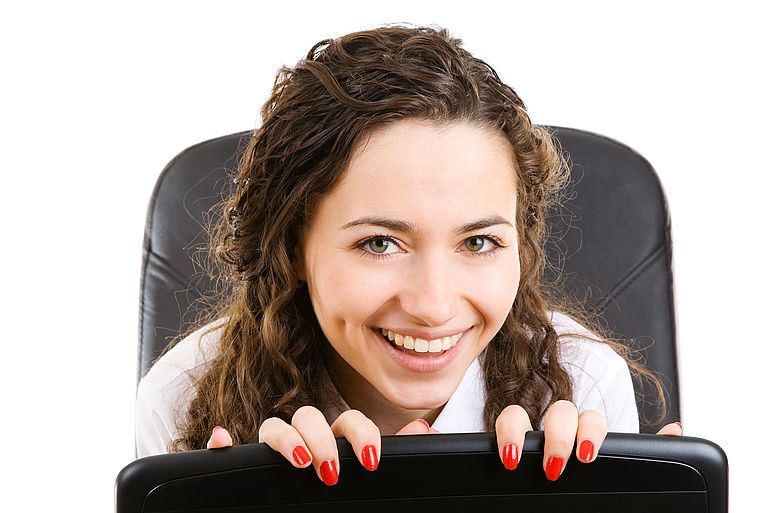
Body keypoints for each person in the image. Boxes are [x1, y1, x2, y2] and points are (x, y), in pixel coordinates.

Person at [135, 25, 681, 486]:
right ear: (292, 248)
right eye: (379, 243)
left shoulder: (582, 387)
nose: (434, 305)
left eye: (478, 242)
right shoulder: (185, 399)